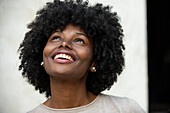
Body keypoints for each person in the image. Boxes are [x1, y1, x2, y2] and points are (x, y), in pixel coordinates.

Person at [18, 0, 146, 112]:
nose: (64, 44)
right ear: (41, 56)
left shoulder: (125, 109)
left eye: (79, 40)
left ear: (94, 62)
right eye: (56, 37)